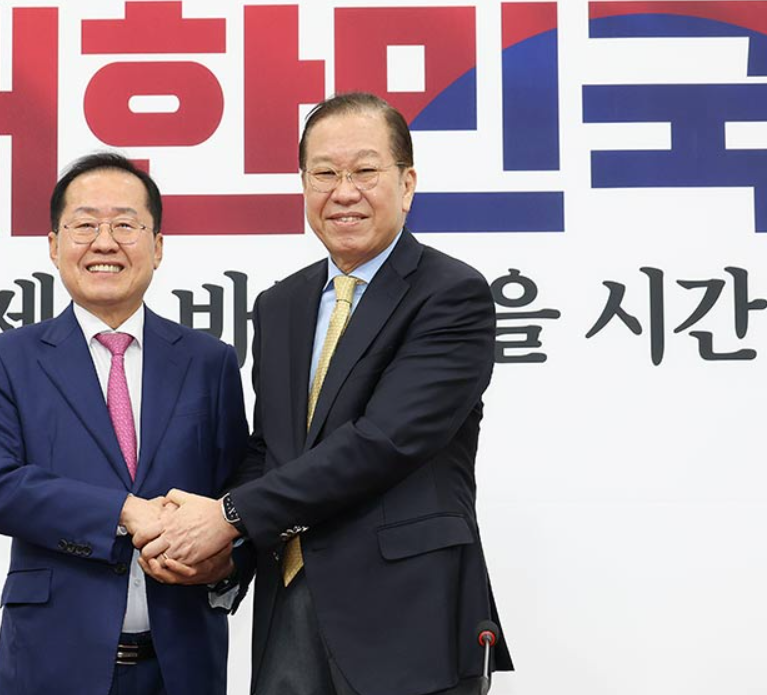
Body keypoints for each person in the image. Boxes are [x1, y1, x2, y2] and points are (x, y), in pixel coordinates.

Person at [145, 93, 513, 695]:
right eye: (324, 174)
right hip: (288, 608)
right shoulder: (280, 304)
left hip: (408, 617)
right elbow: (270, 450)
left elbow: (384, 441)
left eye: (365, 170)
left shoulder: (451, 294)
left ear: (407, 183)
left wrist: (230, 516)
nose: (344, 192)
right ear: (303, 184)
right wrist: (225, 548)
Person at [0, 152, 248, 695]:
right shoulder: (8, 360)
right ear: (54, 245)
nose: (105, 242)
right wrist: (122, 511)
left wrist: (226, 563)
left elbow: (241, 487)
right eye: (85, 225)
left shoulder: (210, 362)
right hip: (52, 663)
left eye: (125, 225)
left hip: (183, 664)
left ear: (157, 246)